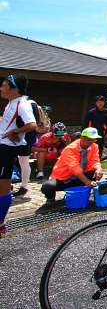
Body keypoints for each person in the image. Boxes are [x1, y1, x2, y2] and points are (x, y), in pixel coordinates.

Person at [0, 74, 37, 236]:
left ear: (14, 89)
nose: (1, 88)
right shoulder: (11, 103)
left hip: (7, 149)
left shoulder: (22, 104)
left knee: (3, 187)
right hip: (2, 146)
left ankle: (1, 222)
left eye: (4, 86)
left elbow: (32, 124)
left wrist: (15, 132)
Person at [40, 127, 104, 205]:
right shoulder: (70, 149)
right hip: (63, 178)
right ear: (82, 138)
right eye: (89, 140)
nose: (91, 142)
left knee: (94, 174)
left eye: (93, 140)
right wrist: (87, 182)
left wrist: (98, 168)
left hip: (79, 177)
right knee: (48, 186)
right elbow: (74, 168)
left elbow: (94, 161)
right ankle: (50, 197)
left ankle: (81, 192)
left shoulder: (94, 146)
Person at [13, 95, 42, 197]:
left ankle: (24, 186)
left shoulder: (28, 104)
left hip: (26, 137)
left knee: (23, 160)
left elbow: (26, 122)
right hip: (19, 136)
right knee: (17, 159)